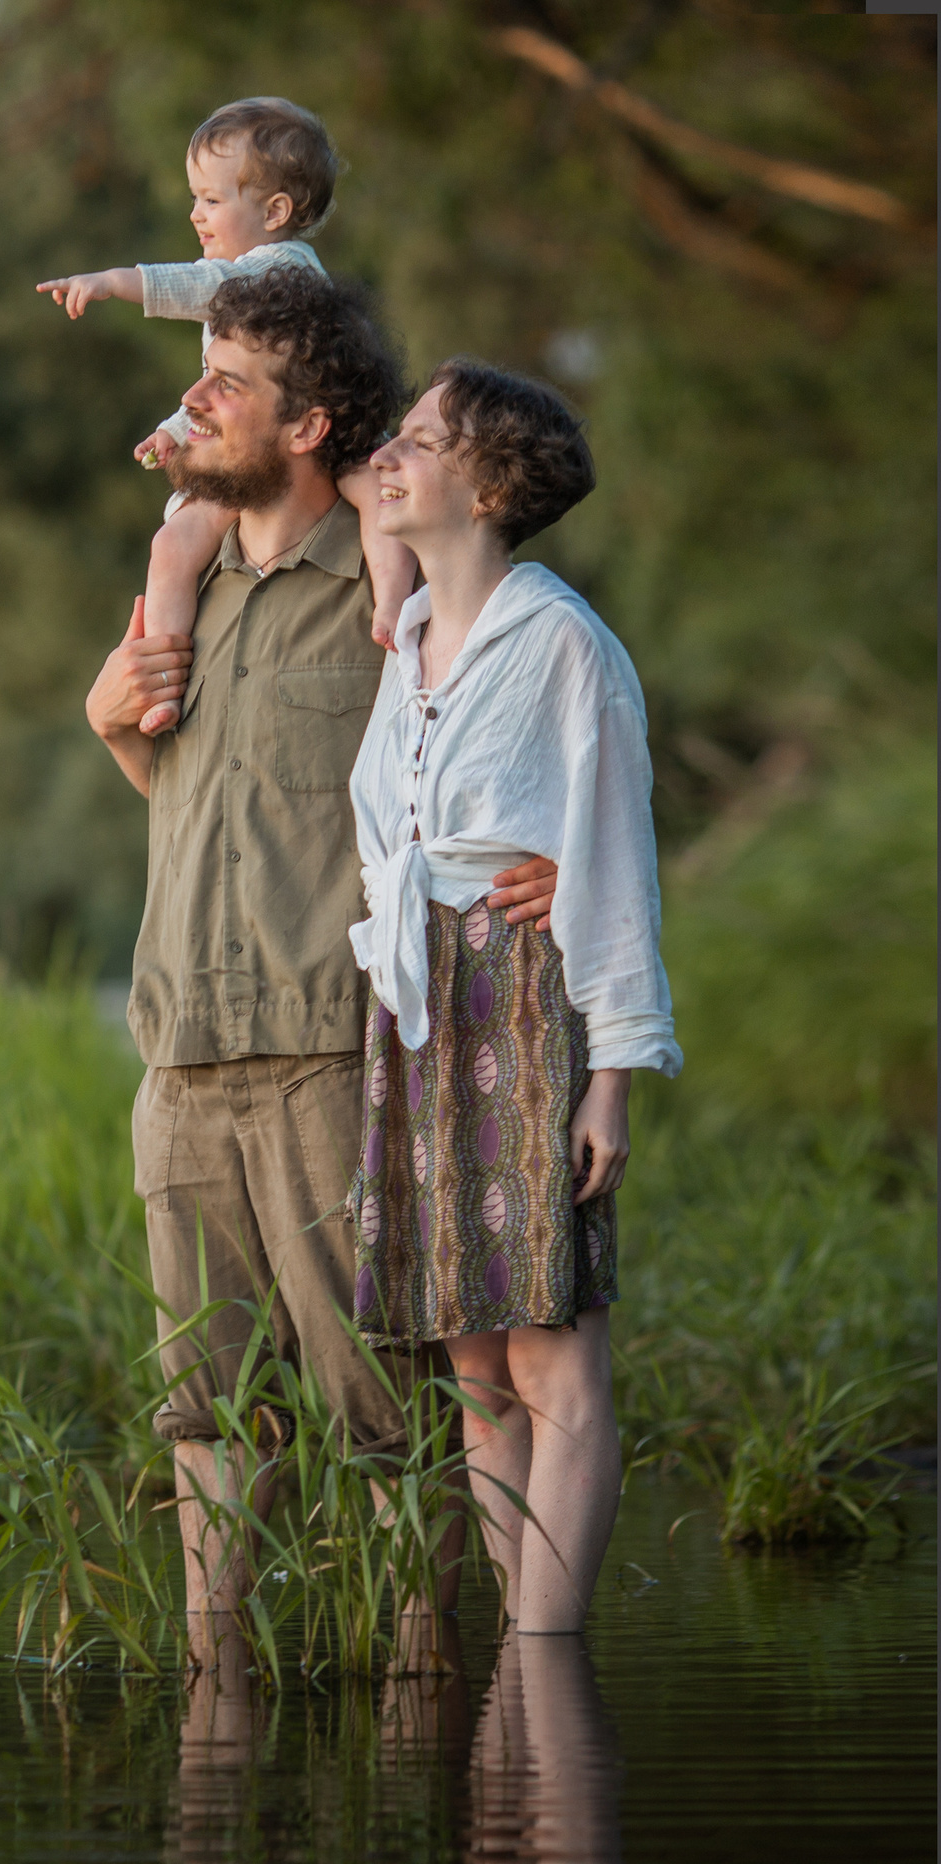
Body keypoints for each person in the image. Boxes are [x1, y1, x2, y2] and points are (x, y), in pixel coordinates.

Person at [85, 265, 558, 1669]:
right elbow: (197, 801)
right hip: (180, 1057)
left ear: (307, 428)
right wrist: (110, 724)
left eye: (226, 383)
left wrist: (559, 866)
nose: (192, 399)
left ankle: (428, 1682)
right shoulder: (182, 595)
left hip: (335, 1054)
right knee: (204, 1406)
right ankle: (216, 1690)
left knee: (392, 1401)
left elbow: (526, 745)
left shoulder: (392, 588)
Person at [346, 359, 681, 1639]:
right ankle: (517, 1655)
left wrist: (613, 1076)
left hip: (526, 1003)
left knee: (549, 1353)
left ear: (488, 485)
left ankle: (547, 1658)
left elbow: (612, 855)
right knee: (474, 1360)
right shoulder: (411, 637)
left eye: (419, 442)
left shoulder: (562, 643)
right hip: (418, 1005)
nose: (388, 458)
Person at [40, 96, 418, 734]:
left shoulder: (274, 271)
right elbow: (225, 384)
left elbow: (199, 293)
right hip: (305, 434)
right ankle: (165, 685)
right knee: (179, 543)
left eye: (212, 199)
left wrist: (113, 281)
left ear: (275, 212)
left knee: (377, 501)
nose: (195, 213)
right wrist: (178, 429)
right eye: (196, 197)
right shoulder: (244, 277)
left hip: (322, 429)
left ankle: (388, 608)